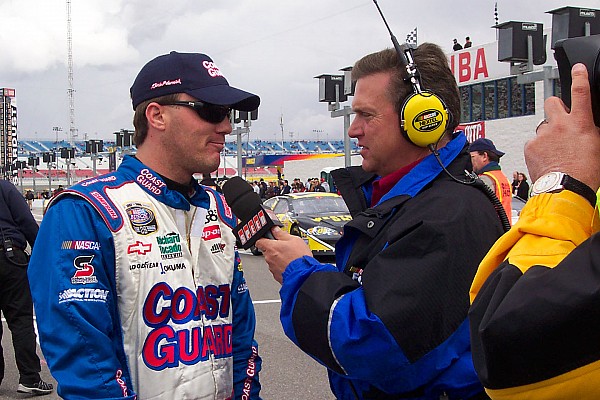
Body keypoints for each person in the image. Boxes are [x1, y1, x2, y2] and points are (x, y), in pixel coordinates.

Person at [256, 43, 504, 399]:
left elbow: (368, 342)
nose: (353, 129)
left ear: (423, 120)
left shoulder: (449, 213)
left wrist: (299, 271)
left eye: (366, 115)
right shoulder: (415, 201)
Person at [28, 51, 262, 399]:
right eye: (212, 112)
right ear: (157, 116)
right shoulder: (86, 211)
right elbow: (86, 364)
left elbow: (241, 338)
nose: (226, 126)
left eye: (228, 114)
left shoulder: (219, 208)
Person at [469, 63, 600, 398]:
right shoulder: (498, 179)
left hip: (527, 247)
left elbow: (507, 343)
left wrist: (562, 182)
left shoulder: (484, 180)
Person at [0, 179, 53, 395]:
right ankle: (30, 377)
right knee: (21, 319)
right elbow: (27, 223)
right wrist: (42, 258)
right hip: (9, 256)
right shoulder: (4, 187)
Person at [469, 138, 513, 225]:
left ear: (484, 156)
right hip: (504, 230)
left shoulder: (485, 179)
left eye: (472, 157)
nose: (470, 162)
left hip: (492, 230)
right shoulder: (502, 178)